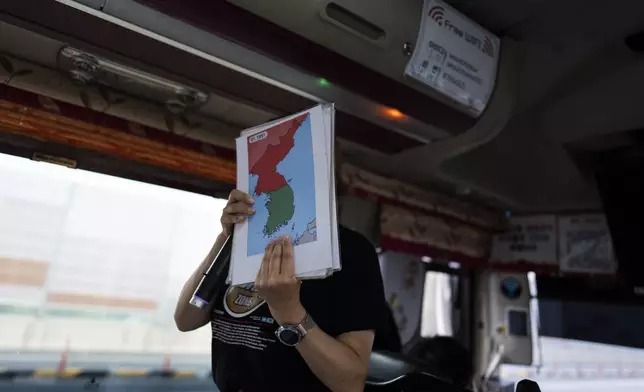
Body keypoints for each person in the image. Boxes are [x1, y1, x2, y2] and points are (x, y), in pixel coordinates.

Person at [174, 189, 387, 392]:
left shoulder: (351, 250)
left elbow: (349, 383)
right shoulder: (244, 240)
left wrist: (288, 311)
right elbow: (186, 319)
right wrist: (225, 238)